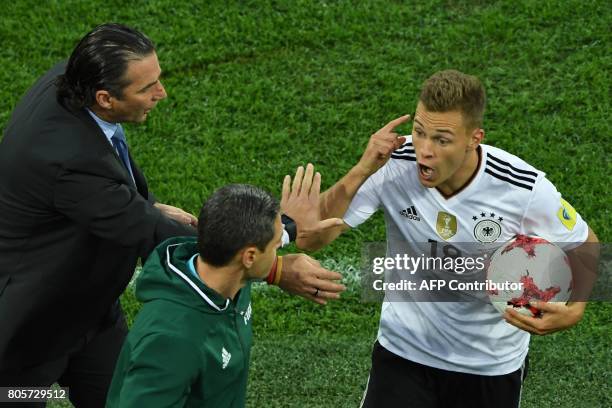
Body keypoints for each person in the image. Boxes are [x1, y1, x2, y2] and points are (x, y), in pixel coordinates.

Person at [0, 23, 343, 407]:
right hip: (31, 333)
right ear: (105, 98)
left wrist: (131, 205)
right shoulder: (68, 162)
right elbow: (151, 231)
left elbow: (106, 200)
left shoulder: (71, 82)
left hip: (92, 311)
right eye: (147, 89)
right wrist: (279, 246)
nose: (161, 93)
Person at [294, 70, 599, 407]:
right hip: (404, 353)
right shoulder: (395, 164)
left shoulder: (522, 188)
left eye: (441, 139)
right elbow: (311, 239)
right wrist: (362, 169)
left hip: (489, 366)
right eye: (419, 133)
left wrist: (576, 311)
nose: (424, 151)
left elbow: (585, 244)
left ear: (474, 138)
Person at [107, 184, 286, 407]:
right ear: (249, 257)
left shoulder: (228, 274)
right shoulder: (171, 341)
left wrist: (295, 224)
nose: (280, 247)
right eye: (277, 244)